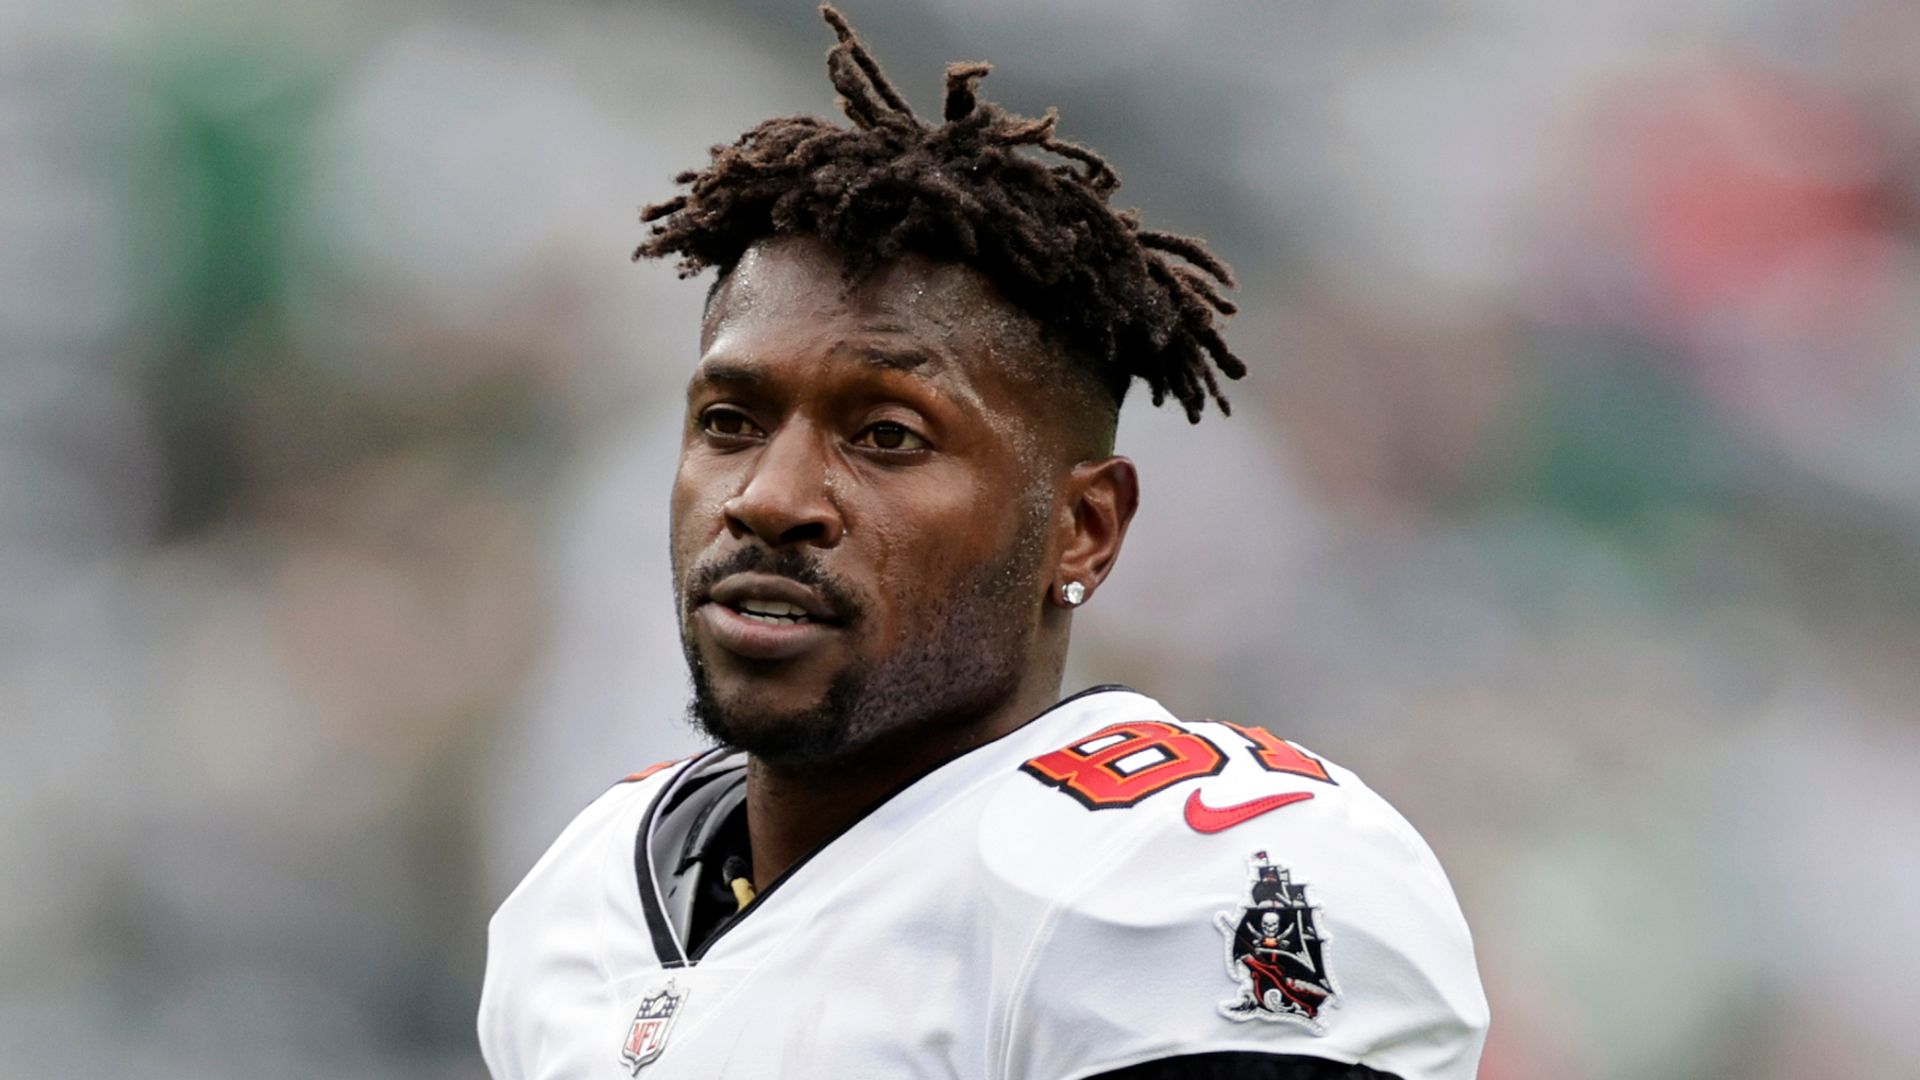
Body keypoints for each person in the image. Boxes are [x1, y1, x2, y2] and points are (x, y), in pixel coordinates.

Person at [478, 8, 1487, 1078]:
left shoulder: (1193, 867)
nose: (770, 499)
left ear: (1083, 530)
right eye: (730, 422)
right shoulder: (578, 899)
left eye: (887, 436)